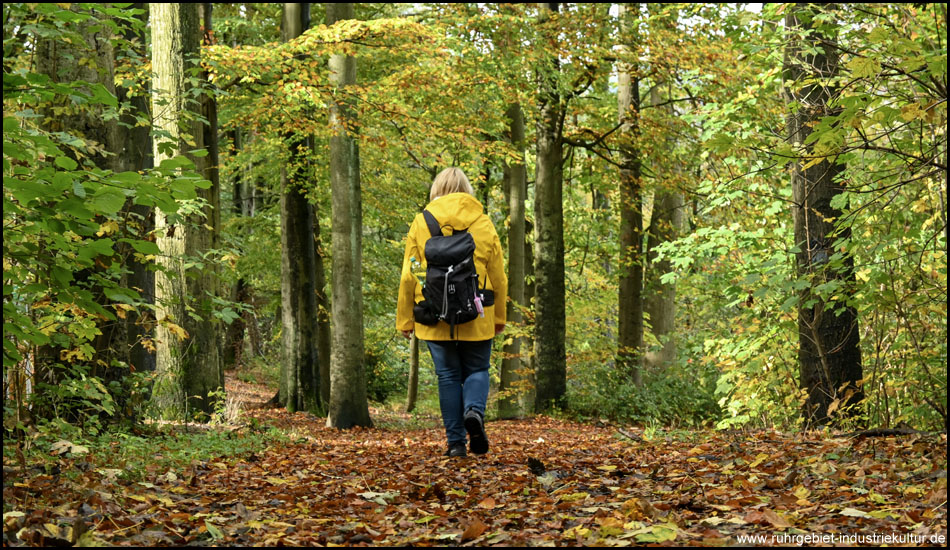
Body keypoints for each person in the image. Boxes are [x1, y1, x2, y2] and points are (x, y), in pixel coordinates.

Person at [396, 167, 507, 457]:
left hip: (434, 313)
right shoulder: (483, 223)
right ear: (467, 190)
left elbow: (410, 274)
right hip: (478, 311)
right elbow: (499, 276)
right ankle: (474, 412)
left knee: (447, 377)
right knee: (478, 369)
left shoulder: (421, 222)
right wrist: (499, 317)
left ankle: (456, 444)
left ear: (437, 189)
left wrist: (406, 318)